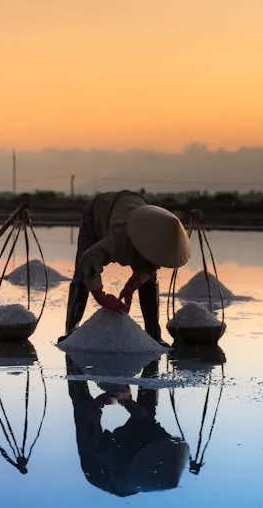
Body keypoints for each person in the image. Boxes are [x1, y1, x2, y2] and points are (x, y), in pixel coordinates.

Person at [62, 190, 190, 345]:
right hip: (98, 211)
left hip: (133, 204)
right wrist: (100, 295)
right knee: (82, 275)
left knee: (149, 281)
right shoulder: (120, 239)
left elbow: (149, 268)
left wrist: (131, 286)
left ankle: (154, 334)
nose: (157, 263)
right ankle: (71, 330)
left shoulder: (158, 236)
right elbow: (89, 259)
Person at [66, 356, 189, 497]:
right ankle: (152, 359)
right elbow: (144, 417)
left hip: (97, 465)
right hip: (138, 458)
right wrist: (126, 401)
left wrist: (98, 402)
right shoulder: (161, 442)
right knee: (147, 407)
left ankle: (71, 359)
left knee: (82, 405)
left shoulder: (111, 458)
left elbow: (89, 421)